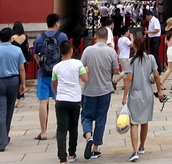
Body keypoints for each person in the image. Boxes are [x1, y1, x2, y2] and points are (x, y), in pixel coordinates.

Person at [121, 34, 164, 162]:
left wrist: (124, 96)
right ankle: (142, 146)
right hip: (148, 94)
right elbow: (156, 76)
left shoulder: (131, 61)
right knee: (144, 121)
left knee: (134, 122)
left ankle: (134, 151)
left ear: (134, 46)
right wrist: (160, 90)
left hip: (135, 94)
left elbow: (129, 79)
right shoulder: (151, 58)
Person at [80, 26, 119, 159]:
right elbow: (115, 70)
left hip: (88, 90)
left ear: (95, 37)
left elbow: (82, 69)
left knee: (86, 116)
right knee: (101, 118)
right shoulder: (111, 52)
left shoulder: (87, 51)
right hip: (104, 90)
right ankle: (96, 147)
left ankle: (88, 136)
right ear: (107, 38)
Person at [0, 26, 26, 152]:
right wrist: (22, 83)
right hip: (13, 80)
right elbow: (22, 68)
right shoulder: (17, 50)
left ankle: (1, 141)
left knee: (1, 112)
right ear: (11, 37)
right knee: (9, 111)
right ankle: (5, 136)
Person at [34, 13, 70, 140]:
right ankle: (61, 129)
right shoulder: (62, 36)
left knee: (43, 102)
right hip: (59, 74)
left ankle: (43, 132)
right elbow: (66, 53)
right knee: (59, 101)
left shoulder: (39, 38)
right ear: (56, 23)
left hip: (43, 74)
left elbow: (36, 55)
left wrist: (43, 65)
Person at [51, 40, 88, 164]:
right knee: (73, 127)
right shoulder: (78, 64)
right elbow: (85, 79)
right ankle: (71, 154)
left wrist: (57, 93)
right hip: (74, 100)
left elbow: (54, 84)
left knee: (61, 129)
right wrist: (85, 70)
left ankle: (62, 158)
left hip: (61, 99)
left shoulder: (56, 67)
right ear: (71, 51)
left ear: (60, 52)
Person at [11, 22, 33, 109]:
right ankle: (19, 101)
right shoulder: (25, 37)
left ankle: (13, 100)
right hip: (23, 60)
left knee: (14, 79)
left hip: (13, 61)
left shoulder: (12, 38)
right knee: (21, 81)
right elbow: (27, 48)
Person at [160, 18, 172, 89]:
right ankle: (161, 82)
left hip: (169, 49)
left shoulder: (167, 34)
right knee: (170, 68)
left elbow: (165, 42)